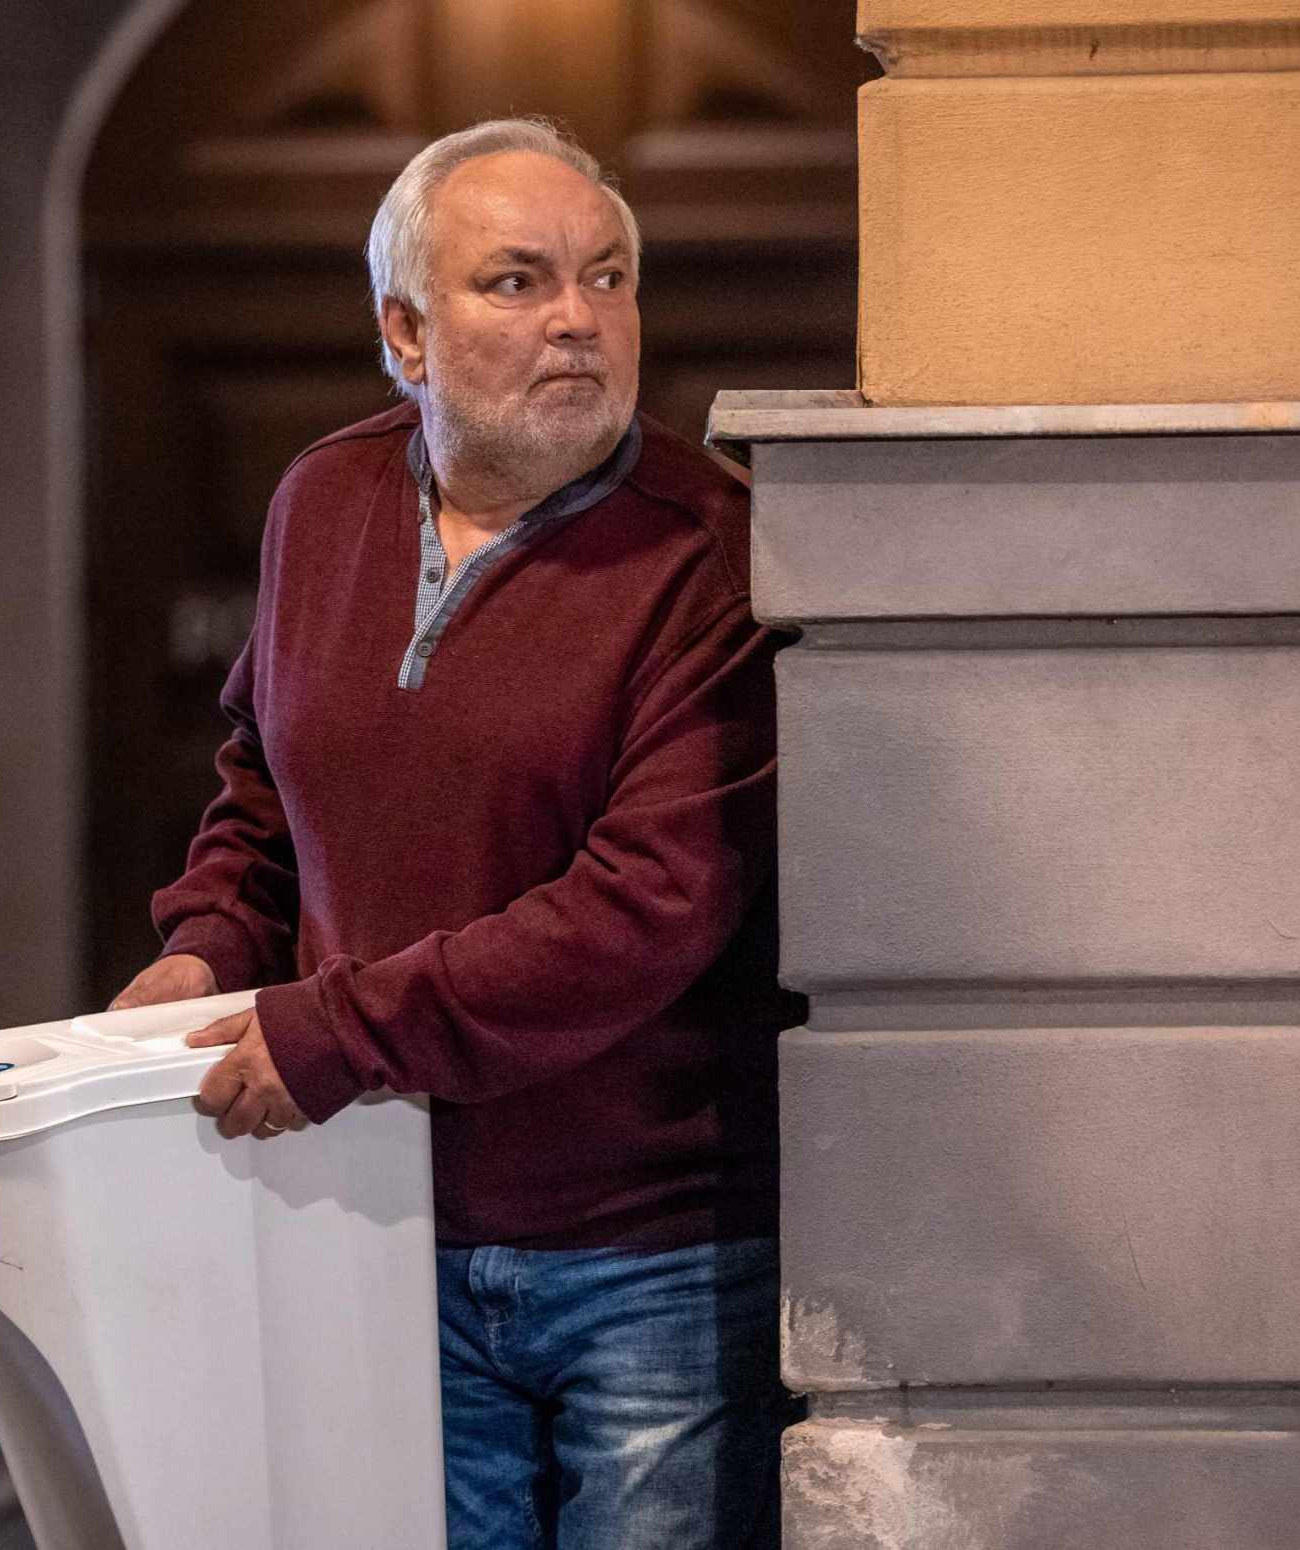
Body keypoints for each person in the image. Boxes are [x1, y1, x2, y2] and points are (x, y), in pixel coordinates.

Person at [110, 117, 796, 1550]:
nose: (577, 319)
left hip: (649, 1255)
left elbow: (644, 909)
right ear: (405, 334)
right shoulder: (321, 501)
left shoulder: (712, 550)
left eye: (607, 278)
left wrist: (335, 1032)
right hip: (372, 1212)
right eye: (518, 281)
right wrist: (207, 946)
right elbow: (261, 783)